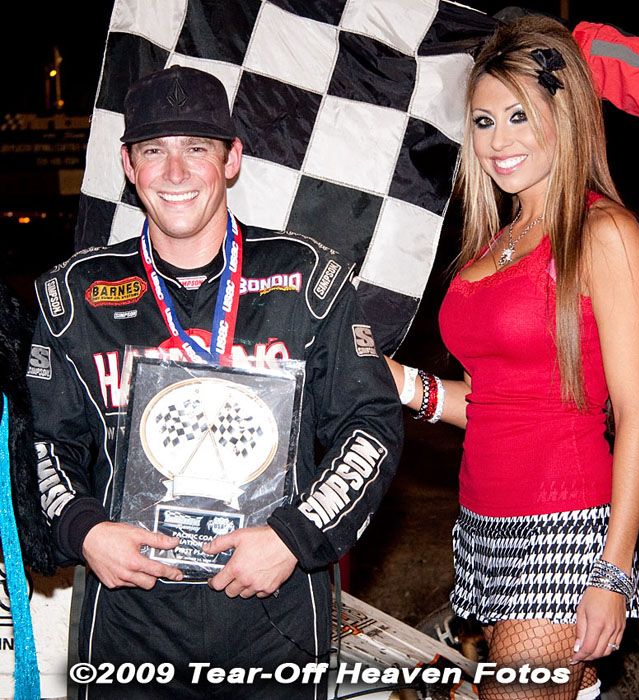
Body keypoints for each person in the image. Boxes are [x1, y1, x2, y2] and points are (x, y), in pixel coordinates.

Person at [26, 65, 402, 699]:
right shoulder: (75, 294)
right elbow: (41, 442)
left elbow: (371, 427)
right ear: (128, 165)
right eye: (155, 151)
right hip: (131, 620)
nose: (175, 172)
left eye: (197, 148)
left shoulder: (308, 279)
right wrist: (85, 531)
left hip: (275, 611)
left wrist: (295, 538)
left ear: (232, 160)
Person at [387, 15, 639, 700]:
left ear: (565, 117)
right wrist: (400, 383)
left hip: (565, 529)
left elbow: (637, 418)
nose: (499, 140)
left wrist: (612, 572)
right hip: (482, 526)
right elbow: (491, 403)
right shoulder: (491, 246)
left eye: (519, 116)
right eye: (483, 121)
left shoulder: (603, 232)